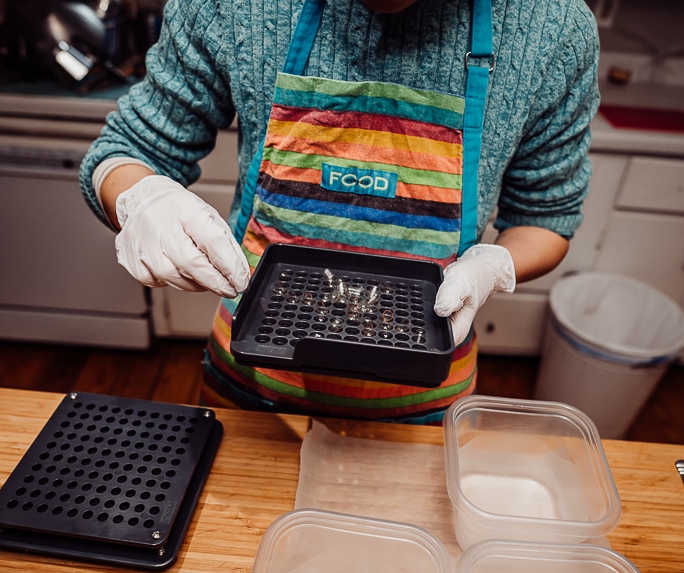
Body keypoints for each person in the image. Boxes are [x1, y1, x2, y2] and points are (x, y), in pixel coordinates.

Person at [79, 0, 600, 424]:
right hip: (255, 383)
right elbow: (126, 151)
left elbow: (546, 218)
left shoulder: (552, 28)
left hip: (421, 396)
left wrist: (495, 265)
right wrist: (140, 197)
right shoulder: (232, 7)